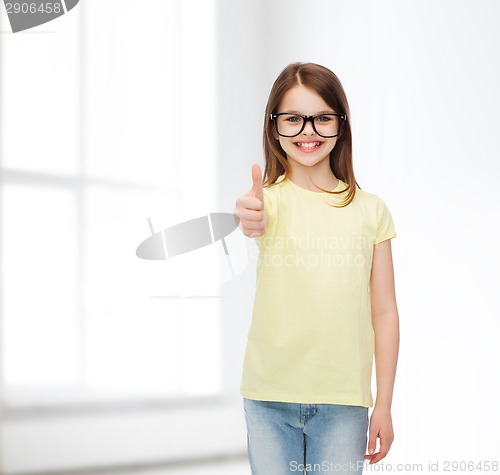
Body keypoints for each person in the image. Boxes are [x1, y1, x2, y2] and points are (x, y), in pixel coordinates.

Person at [234, 62, 400, 475]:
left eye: (322, 118)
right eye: (293, 119)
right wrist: (247, 216)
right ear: (274, 128)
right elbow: (250, 218)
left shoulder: (371, 210)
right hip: (268, 396)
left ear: (341, 126)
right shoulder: (267, 202)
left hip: (344, 402)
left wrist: (384, 404)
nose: (308, 131)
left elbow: (385, 311)